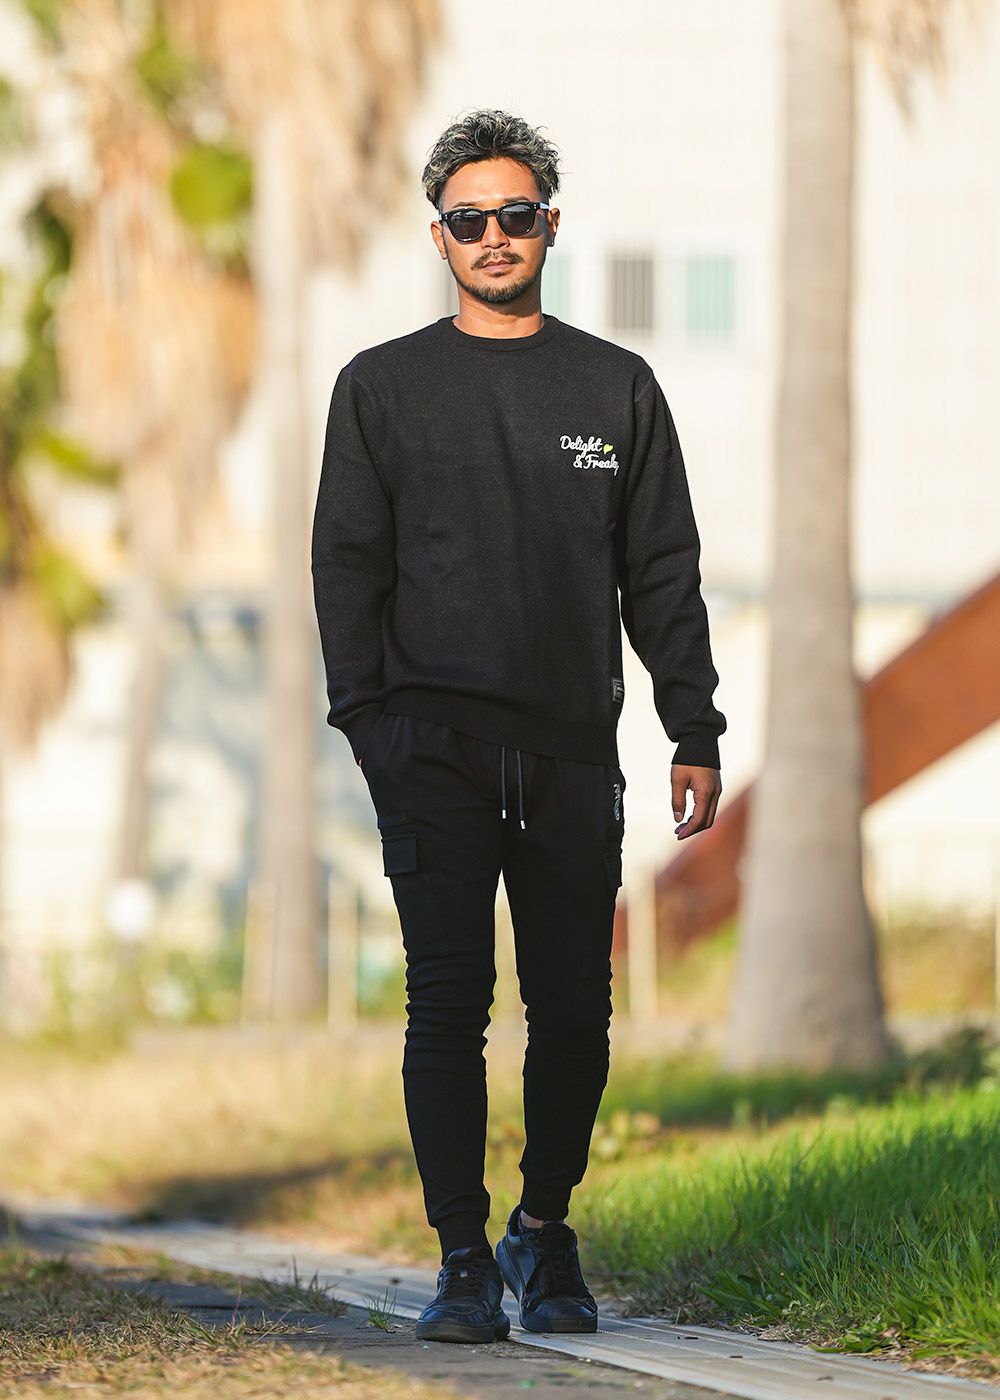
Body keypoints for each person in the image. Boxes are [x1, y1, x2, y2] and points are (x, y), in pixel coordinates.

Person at [311, 108, 726, 1345]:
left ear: (550, 224)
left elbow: (662, 569)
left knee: (574, 1011)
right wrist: (369, 725)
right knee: (447, 1004)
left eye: (515, 214)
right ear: (438, 236)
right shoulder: (380, 386)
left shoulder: (614, 385)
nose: (494, 235)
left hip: (570, 750)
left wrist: (692, 724)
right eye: (469, 219)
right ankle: (458, 1257)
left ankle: (542, 1227)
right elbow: (346, 566)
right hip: (429, 746)